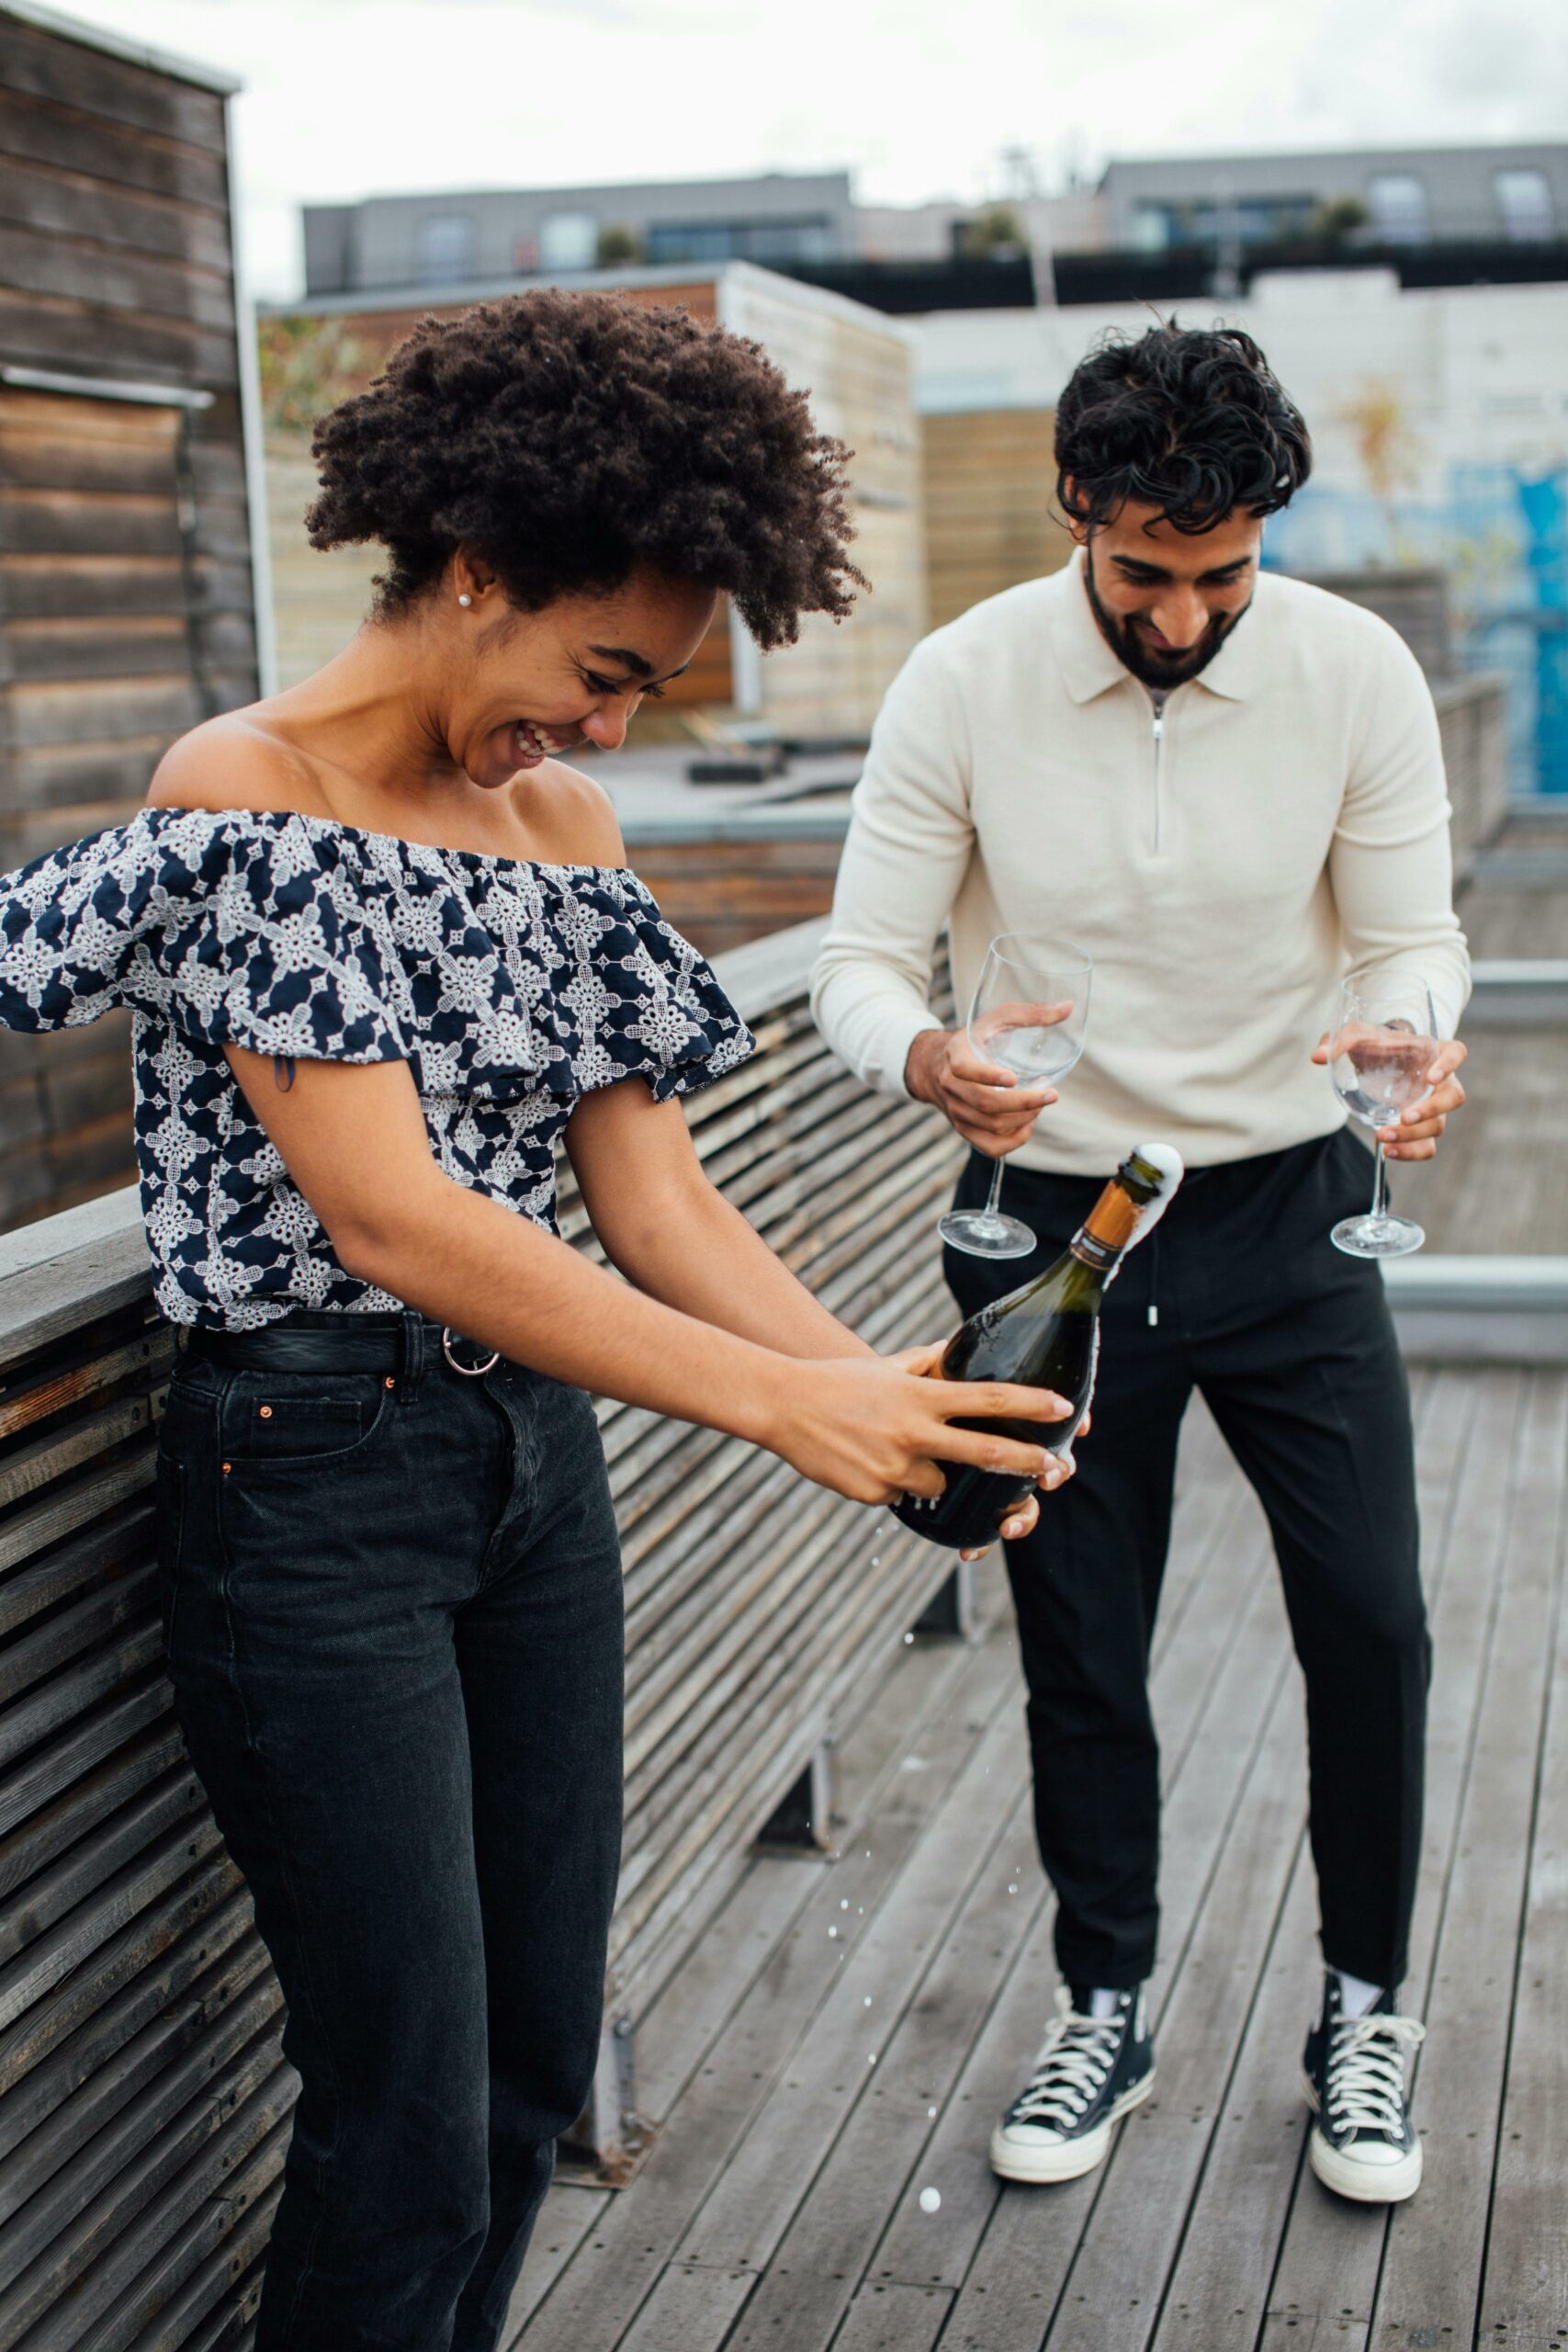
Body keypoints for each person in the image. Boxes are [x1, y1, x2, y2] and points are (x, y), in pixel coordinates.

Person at [0, 293, 1081, 2352]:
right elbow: (396, 1216)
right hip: (309, 1480)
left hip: (529, 1476)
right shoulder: (251, 789)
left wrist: (887, 1394)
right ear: (472, 571)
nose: (603, 731)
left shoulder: (566, 836)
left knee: (518, 2072)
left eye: (647, 694)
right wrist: (781, 1409)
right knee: (400, 2110)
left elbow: (650, 1193)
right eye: (598, 673)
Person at [811, 321, 1472, 2206]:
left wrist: (1410, 1033)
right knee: (1077, 1640)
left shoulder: (1351, 671)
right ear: (1073, 515)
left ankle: (1362, 2006)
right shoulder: (960, 679)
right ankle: (1102, 1992)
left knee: (1372, 1618)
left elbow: (1403, 940)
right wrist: (921, 1055)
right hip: (1047, 1230)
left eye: (1220, 576)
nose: (1181, 617)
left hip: (1281, 1203)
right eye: (1141, 575)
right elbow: (862, 959)